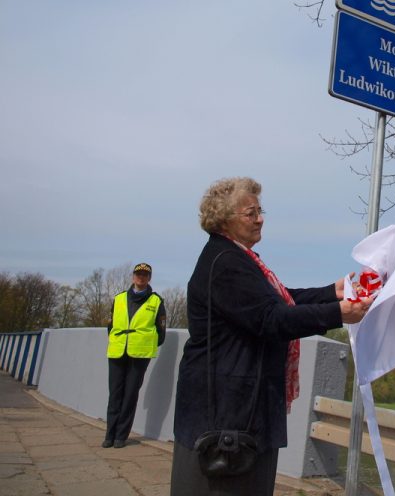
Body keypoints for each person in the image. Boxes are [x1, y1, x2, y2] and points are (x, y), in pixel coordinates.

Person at [170, 177, 371, 496]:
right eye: (251, 213)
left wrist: (332, 293)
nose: (260, 218)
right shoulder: (226, 263)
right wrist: (338, 313)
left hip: (234, 411)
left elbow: (279, 299)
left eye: (260, 210)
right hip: (227, 416)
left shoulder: (235, 258)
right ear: (225, 218)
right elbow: (271, 317)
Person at [104, 262, 166, 449]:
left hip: (140, 354)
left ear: (149, 278)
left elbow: (161, 332)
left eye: (145, 275)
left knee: (130, 395)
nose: (141, 277)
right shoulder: (119, 298)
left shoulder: (156, 301)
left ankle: (120, 436)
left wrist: (144, 343)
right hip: (117, 351)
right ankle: (109, 434)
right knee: (115, 394)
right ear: (133, 277)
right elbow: (111, 325)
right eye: (138, 274)